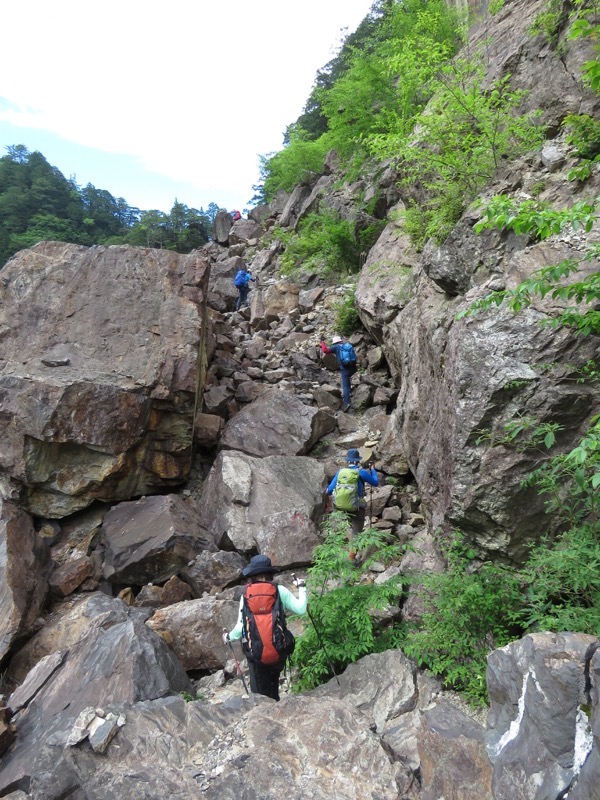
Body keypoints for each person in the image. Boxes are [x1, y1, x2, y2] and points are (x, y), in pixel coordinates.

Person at [223, 555, 307, 701]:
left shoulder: (246, 595)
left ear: (252, 575)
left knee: (260, 695)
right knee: (274, 683)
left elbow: (241, 627)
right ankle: (276, 703)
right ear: (270, 573)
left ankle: (267, 710)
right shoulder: (279, 590)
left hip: (255, 654)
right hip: (278, 650)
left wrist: (228, 637)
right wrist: (302, 588)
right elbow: (301, 609)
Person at [326, 448, 379, 560]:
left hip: (340, 507)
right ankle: (351, 558)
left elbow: (329, 491)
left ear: (348, 461)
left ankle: (334, 555)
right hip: (356, 508)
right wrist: (373, 470)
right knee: (356, 533)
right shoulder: (361, 472)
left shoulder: (340, 472)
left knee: (340, 530)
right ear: (357, 461)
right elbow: (375, 482)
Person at [320, 334, 357, 412]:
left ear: (334, 342)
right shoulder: (347, 345)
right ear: (340, 340)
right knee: (348, 382)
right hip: (353, 368)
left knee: (345, 386)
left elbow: (325, 350)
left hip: (345, 369)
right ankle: (350, 394)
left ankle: (347, 403)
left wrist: (322, 342)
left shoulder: (336, 347)